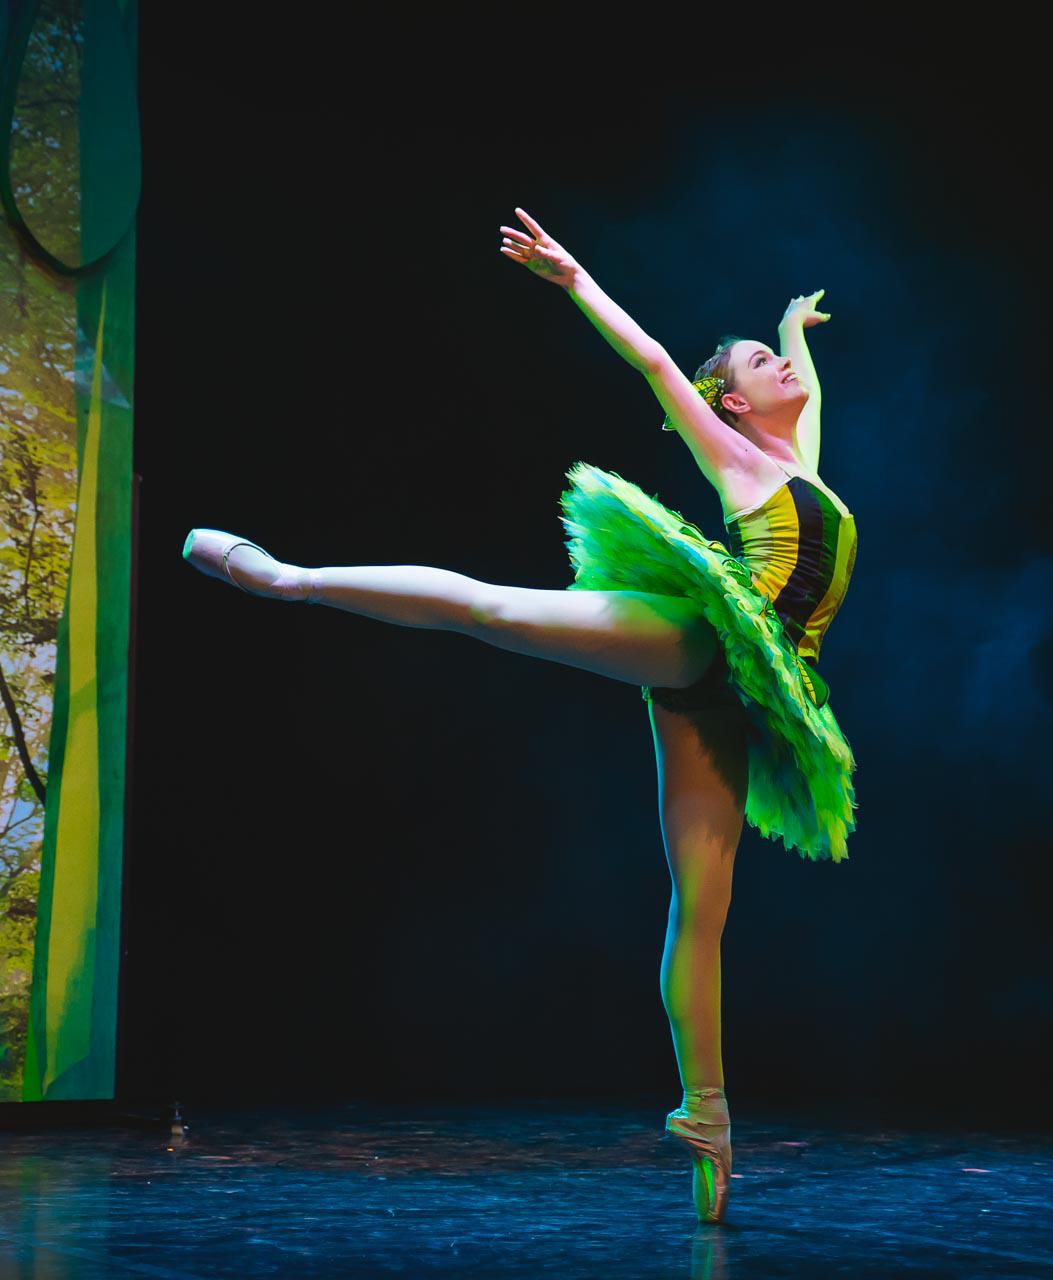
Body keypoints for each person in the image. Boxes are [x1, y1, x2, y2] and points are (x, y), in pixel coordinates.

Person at [181, 207, 860, 1224]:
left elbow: (808, 406)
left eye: (782, 363)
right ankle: (289, 578)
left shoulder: (798, 459)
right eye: (764, 363)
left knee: (702, 909)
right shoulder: (738, 456)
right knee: (492, 609)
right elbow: (653, 362)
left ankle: (708, 1118)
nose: (786, 372)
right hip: (710, 636)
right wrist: (577, 277)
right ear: (728, 398)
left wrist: (795, 331)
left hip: (752, 694)